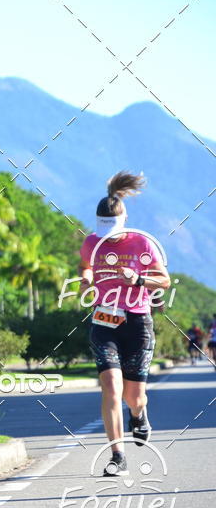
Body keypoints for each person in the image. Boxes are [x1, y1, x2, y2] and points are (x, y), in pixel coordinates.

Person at [79, 171, 170, 476]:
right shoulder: (92, 241)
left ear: (125, 219)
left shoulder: (142, 244)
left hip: (137, 321)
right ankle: (117, 456)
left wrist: (140, 279)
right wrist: (86, 278)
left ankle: (139, 414)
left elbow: (165, 281)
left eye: (113, 229)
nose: (109, 236)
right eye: (104, 229)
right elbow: (86, 265)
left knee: (134, 396)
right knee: (111, 387)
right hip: (104, 320)